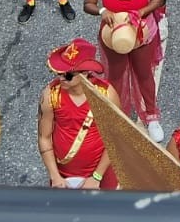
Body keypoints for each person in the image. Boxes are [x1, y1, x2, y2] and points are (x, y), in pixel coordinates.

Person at [84, 0, 166, 140]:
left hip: (141, 33)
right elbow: (88, 4)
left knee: (144, 74)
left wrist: (141, 12)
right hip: (114, 37)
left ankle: (151, 116)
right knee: (116, 77)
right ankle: (118, 115)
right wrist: (103, 11)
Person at [37, 39, 120, 188]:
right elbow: (44, 137)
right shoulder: (51, 95)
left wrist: (97, 176)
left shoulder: (106, 94)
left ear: (85, 73)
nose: (61, 78)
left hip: (102, 173)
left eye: (68, 75)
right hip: (62, 175)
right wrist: (55, 176)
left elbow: (116, 139)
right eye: (59, 73)